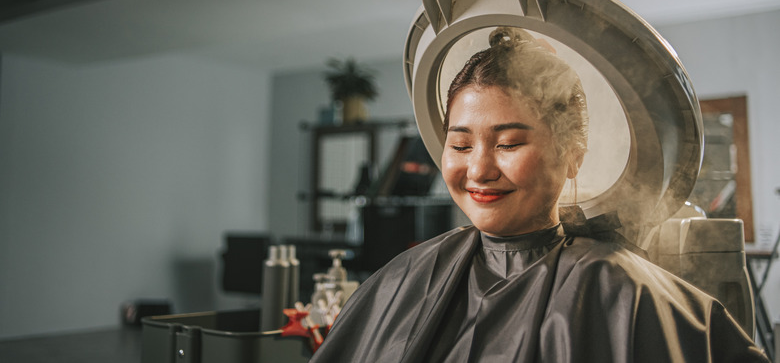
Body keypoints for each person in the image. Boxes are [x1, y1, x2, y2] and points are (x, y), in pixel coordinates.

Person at [310, 27, 768, 362]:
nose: (479, 169)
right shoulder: (405, 277)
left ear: (572, 156)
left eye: (508, 143)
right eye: (461, 144)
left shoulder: (622, 293)